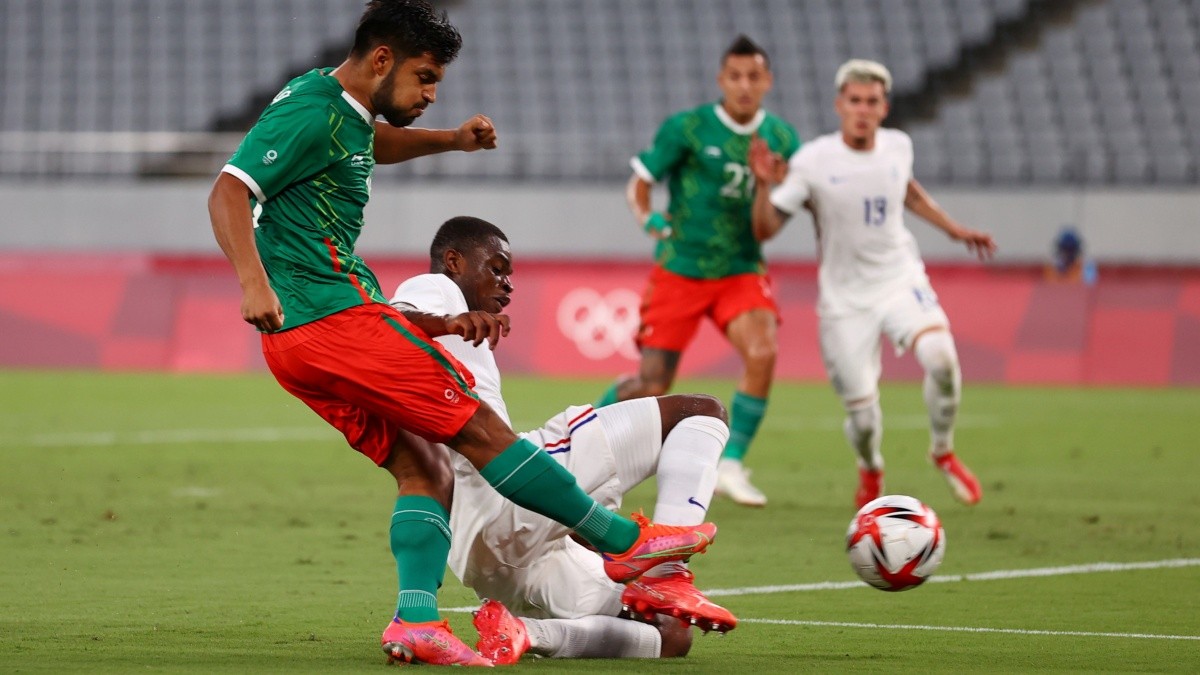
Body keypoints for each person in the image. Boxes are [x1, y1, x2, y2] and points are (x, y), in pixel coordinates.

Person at [206, 1, 717, 666]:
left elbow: (369, 143)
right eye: (424, 78)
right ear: (382, 59)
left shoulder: (341, 112)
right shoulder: (312, 109)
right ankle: (624, 540)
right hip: (333, 314)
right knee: (477, 428)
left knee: (423, 465)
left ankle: (415, 621)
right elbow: (228, 190)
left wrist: (449, 138)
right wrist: (252, 280)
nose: (429, 93)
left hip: (295, 345)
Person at [390, 216, 738, 664]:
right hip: (505, 494)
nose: (507, 283)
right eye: (496, 268)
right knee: (701, 412)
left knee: (671, 634)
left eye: (509, 273)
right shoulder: (435, 289)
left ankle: (526, 634)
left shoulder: (461, 330)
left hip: (482, 557)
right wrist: (447, 319)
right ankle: (667, 573)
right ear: (454, 261)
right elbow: (392, 320)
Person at [748, 59, 996, 509]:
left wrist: (953, 229)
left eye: (872, 102)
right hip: (845, 302)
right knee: (863, 418)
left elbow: (907, 190)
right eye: (855, 101)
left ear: (884, 108)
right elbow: (765, 230)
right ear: (839, 105)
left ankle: (942, 451)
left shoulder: (898, 146)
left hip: (899, 278)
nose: (863, 109)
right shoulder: (813, 161)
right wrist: (764, 187)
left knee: (941, 358)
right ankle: (871, 467)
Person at [594, 35, 801, 508]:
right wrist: (650, 219)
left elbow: (767, 229)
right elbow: (640, 184)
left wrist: (768, 185)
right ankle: (579, 435)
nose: (745, 86)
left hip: (741, 269)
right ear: (721, 80)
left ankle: (731, 463)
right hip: (681, 269)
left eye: (754, 76)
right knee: (651, 385)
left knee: (763, 351)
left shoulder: (784, 142)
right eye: (736, 76)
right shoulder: (688, 129)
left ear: (767, 81)